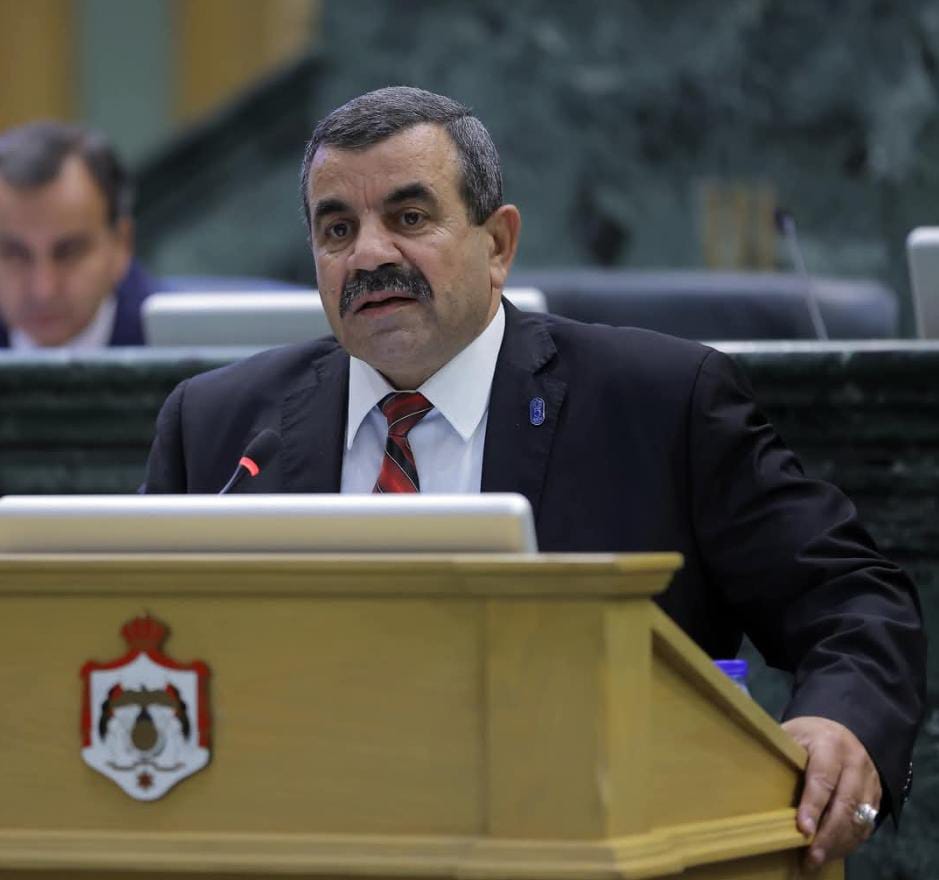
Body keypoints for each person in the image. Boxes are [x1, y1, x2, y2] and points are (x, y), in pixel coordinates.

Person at [142, 86, 926, 869]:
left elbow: (851, 598)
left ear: (497, 244)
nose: (369, 255)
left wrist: (841, 724)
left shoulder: (657, 403)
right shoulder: (219, 425)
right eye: (337, 229)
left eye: (409, 218)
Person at [0, 121, 155, 349]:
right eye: (14, 255)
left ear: (121, 245)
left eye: (68, 253)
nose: (43, 290)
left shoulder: (196, 346)